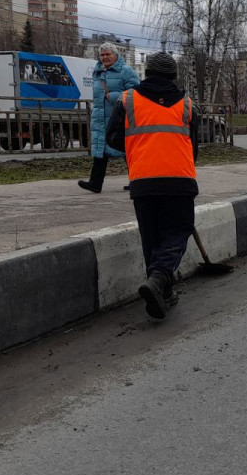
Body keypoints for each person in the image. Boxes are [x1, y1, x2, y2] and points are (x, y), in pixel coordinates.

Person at [105, 52, 199, 320]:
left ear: (146, 74)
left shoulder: (127, 100)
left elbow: (112, 138)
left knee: (152, 238)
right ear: (174, 77)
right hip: (180, 180)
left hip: (143, 181)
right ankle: (158, 280)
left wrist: (139, 149)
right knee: (178, 232)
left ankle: (162, 294)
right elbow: (193, 148)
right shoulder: (187, 105)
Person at [79, 42, 139, 193]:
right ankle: (95, 183)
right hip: (101, 117)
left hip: (119, 119)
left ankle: (137, 181)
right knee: (101, 150)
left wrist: (114, 96)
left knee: (127, 151)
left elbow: (136, 94)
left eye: (108, 54)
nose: (105, 57)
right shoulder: (98, 72)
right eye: (102, 55)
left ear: (116, 55)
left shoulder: (126, 71)